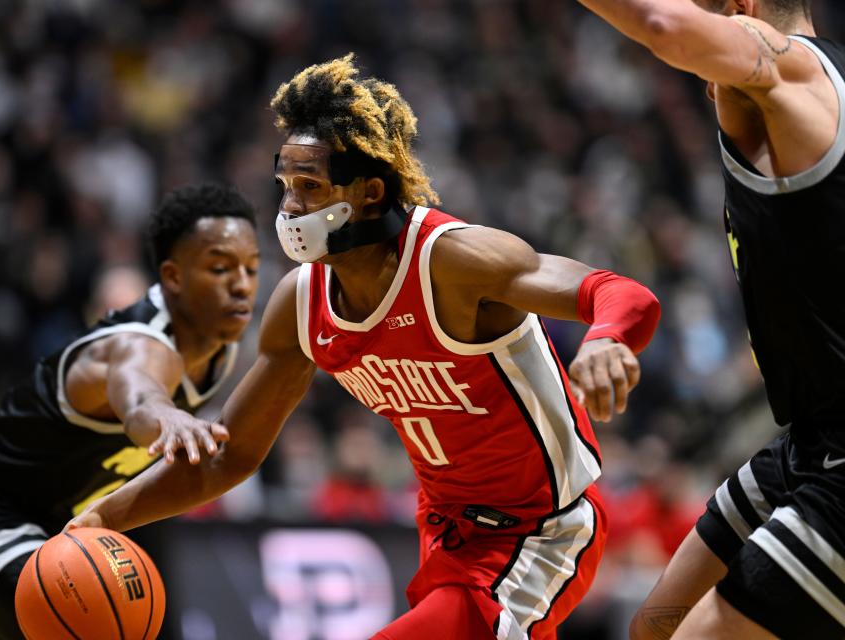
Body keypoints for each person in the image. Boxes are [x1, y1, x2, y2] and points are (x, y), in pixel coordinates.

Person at [69, 55, 661, 640]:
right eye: (285, 187)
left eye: (310, 187)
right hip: (445, 533)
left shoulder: (451, 262)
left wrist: (607, 340)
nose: (290, 207)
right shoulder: (300, 304)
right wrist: (101, 517)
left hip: (540, 529)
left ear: (371, 192)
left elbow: (617, 291)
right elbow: (231, 456)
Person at [573, 1, 845, 638]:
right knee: (652, 628)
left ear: (741, 11)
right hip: (812, 437)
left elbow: (661, 25)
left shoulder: (789, 67)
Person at [0, 182, 260, 639]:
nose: (242, 284)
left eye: (252, 268)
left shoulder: (221, 351)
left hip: (76, 521)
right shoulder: (134, 344)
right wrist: (168, 416)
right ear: (174, 277)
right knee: (87, 624)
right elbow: (140, 398)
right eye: (221, 268)